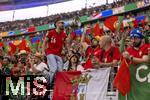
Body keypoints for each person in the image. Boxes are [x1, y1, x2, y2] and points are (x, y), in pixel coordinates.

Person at [42, 19, 66, 85]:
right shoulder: (51, 32)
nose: (63, 24)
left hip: (59, 54)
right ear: (57, 24)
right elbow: (44, 42)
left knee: (60, 71)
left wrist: (65, 49)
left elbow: (65, 44)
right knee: (54, 68)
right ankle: (47, 84)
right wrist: (43, 51)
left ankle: (57, 84)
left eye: (63, 23)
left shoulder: (64, 34)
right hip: (50, 53)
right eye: (61, 23)